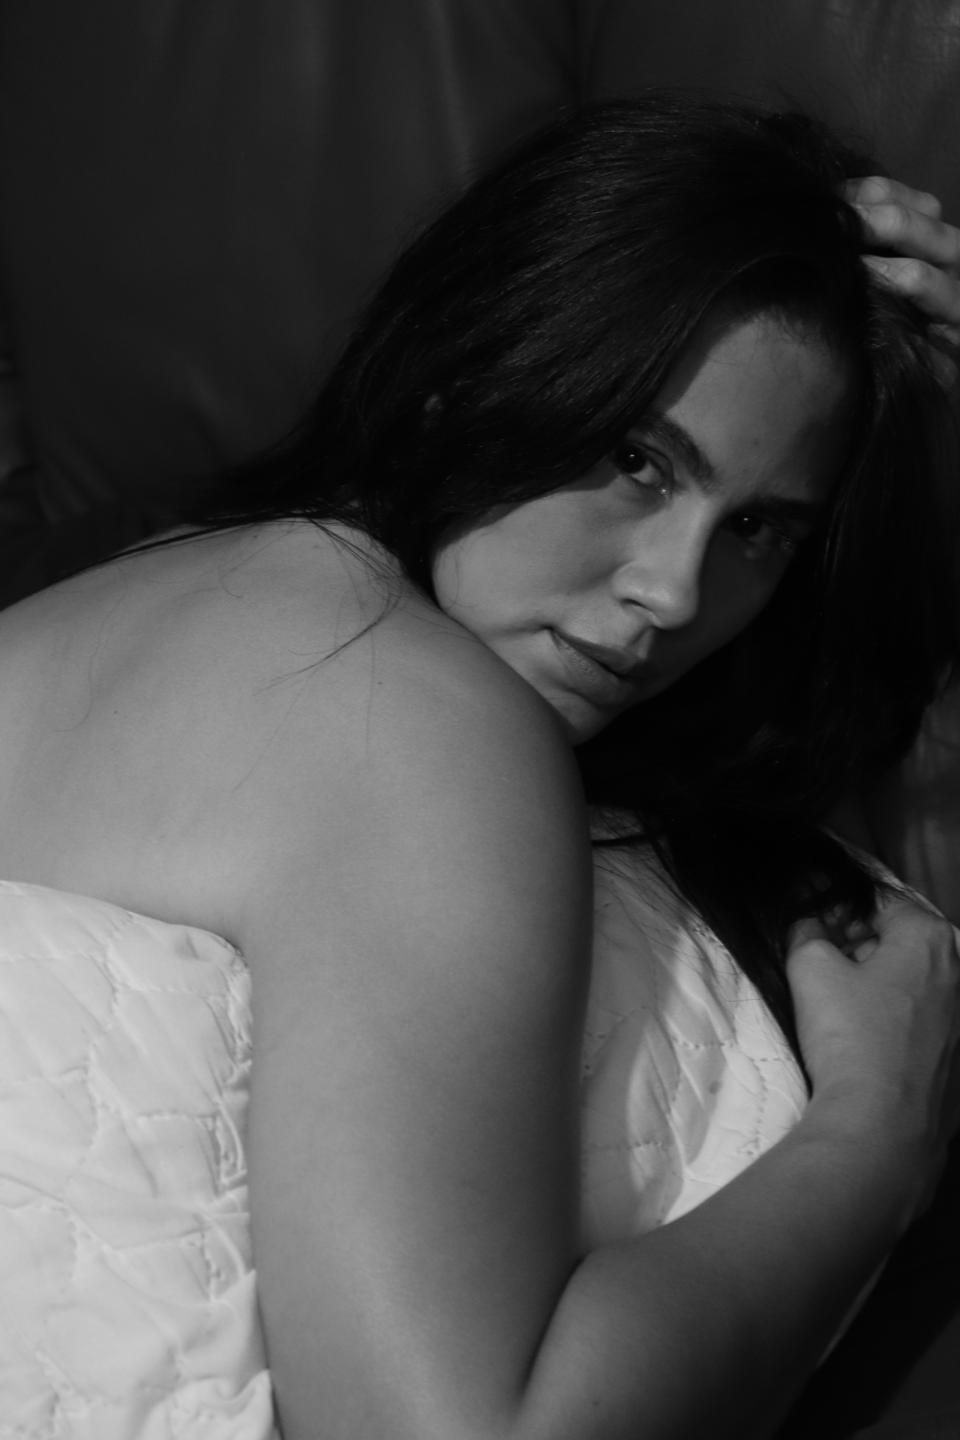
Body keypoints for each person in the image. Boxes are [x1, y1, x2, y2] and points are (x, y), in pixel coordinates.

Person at [0, 93, 957, 1438]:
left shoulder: (143, 585)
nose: (676, 592)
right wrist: (879, 1134)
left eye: (758, 532)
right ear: (476, 373)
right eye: (638, 461)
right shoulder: (412, 715)